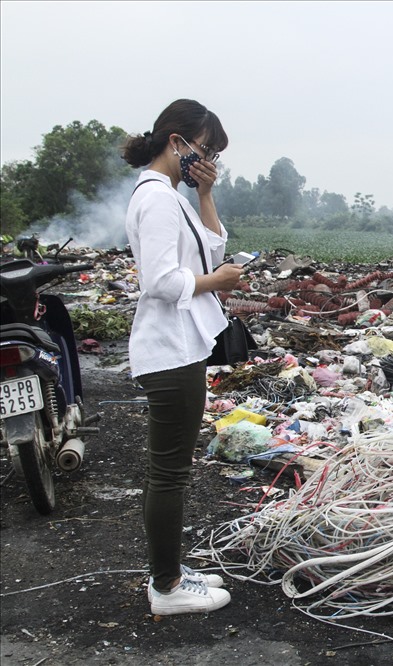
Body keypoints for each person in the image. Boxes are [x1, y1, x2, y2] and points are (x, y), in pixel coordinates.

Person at [121, 99, 242, 615]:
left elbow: (212, 248)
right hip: (168, 350)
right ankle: (166, 586)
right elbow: (160, 281)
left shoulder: (173, 196)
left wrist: (207, 192)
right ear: (178, 143)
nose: (208, 157)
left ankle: (168, 571)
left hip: (181, 346)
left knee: (169, 468)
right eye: (205, 149)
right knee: (170, 472)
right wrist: (215, 284)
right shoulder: (155, 200)